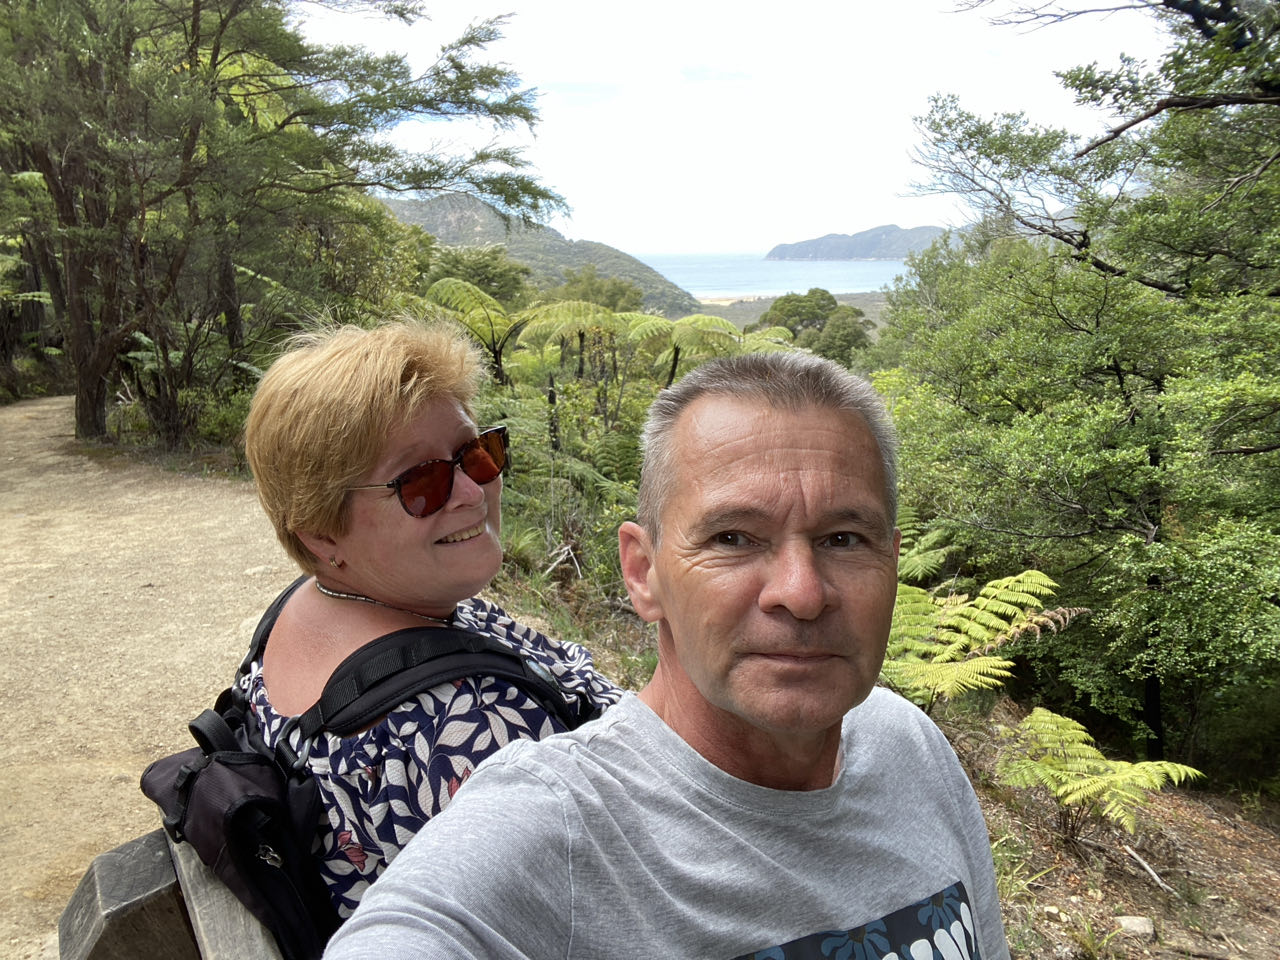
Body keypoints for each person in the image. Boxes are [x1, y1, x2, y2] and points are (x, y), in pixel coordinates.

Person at [323, 351, 1010, 960]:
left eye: (844, 539)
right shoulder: (558, 826)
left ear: (892, 560)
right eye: (734, 538)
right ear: (643, 572)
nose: (802, 594)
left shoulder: (910, 748)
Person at [239, 319, 621, 917]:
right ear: (320, 532)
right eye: (421, 482)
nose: (471, 492)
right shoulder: (471, 729)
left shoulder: (316, 606)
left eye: (476, 454)